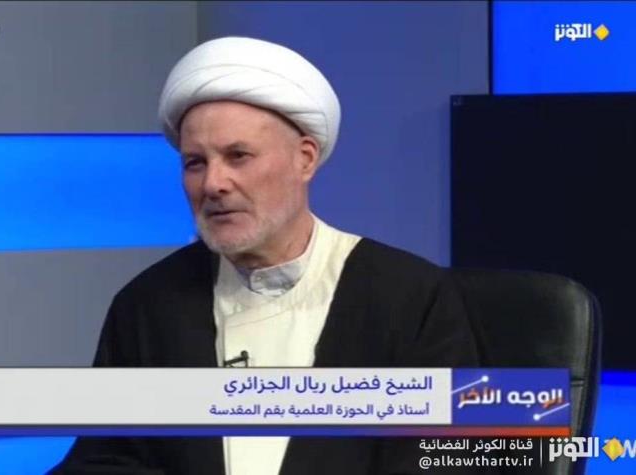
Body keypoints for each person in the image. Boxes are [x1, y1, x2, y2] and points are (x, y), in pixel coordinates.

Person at [51, 36, 481, 475]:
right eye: (195, 163)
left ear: (305, 159)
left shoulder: (409, 297)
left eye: (238, 156)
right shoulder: (147, 305)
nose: (213, 184)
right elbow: (103, 459)